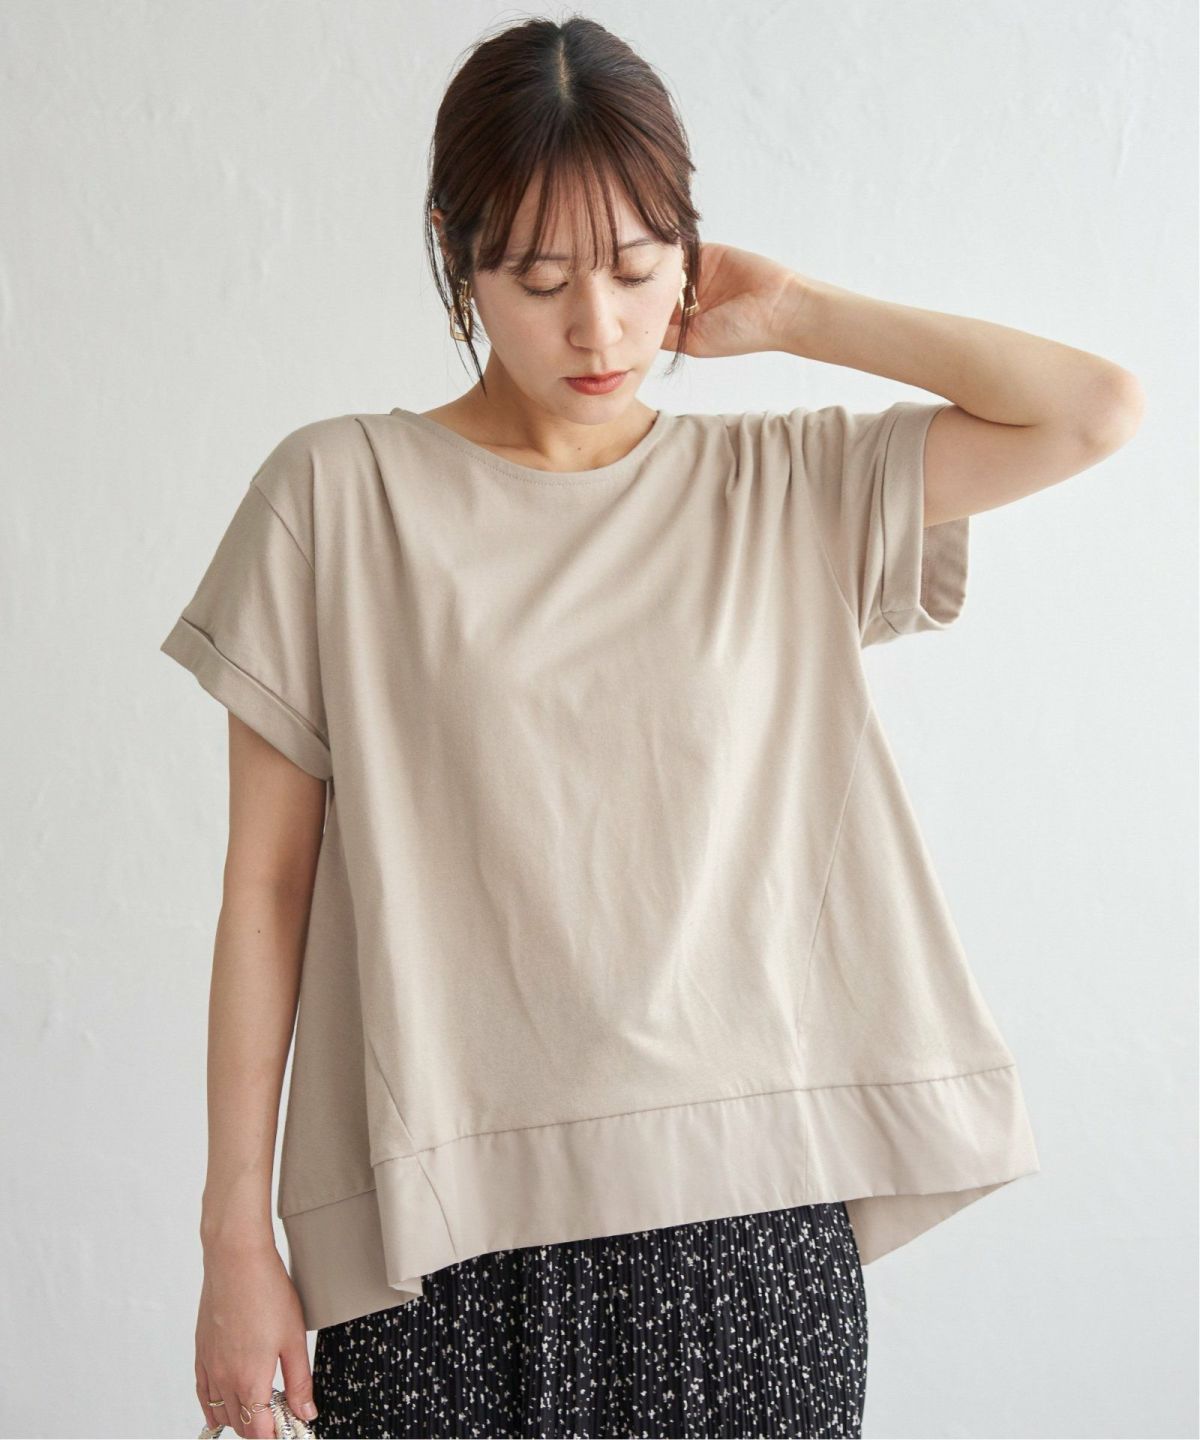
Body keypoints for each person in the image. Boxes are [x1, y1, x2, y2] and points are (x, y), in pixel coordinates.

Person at [165, 16, 1144, 1440]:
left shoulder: (781, 488)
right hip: (440, 1248)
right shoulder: (338, 496)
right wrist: (233, 1240)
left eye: (636, 269)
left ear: (690, 253)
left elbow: (1093, 411)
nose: (598, 328)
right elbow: (266, 888)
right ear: (455, 256)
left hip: (746, 1231)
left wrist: (798, 310)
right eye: (538, 278)